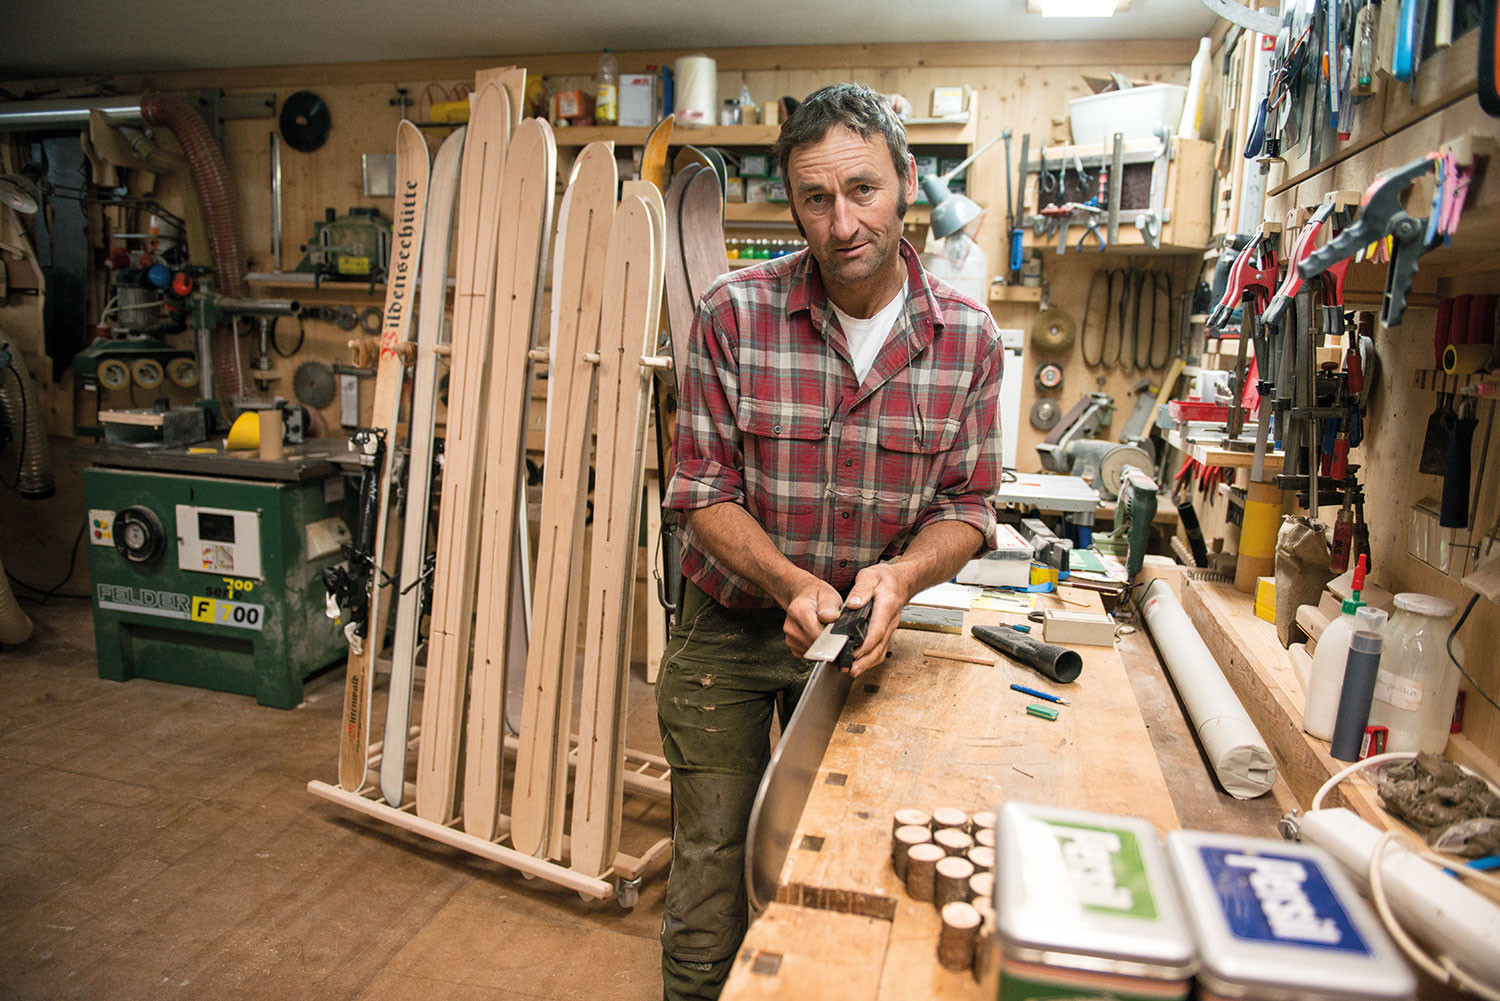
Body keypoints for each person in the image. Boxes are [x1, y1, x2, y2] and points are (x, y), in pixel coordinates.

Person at [657, 82, 1004, 1001]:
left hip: (864, 640)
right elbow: (699, 490)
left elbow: (970, 503)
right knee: (708, 878)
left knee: (847, 865)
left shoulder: (967, 339)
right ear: (794, 205)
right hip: (728, 633)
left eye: (863, 189)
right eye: (817, 199)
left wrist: (899, 574)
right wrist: (783, 581)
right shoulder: (733, 313)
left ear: (907, 180)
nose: (843, 222)